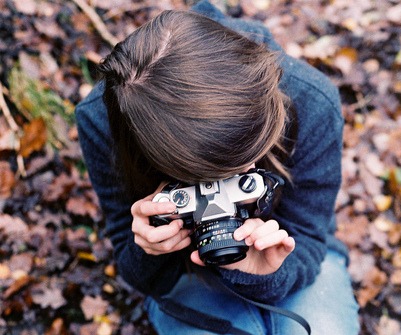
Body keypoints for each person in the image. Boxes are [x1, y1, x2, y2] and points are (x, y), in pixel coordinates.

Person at [75, 1, 359, 334]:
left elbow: (309, 237)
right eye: (204, 181)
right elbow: (140, 273)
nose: (247, 172)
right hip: (186, 273)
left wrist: (265, 273)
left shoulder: (311, 100)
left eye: (246, 176)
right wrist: (149, 248)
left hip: (294, 256)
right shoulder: (103, 120)